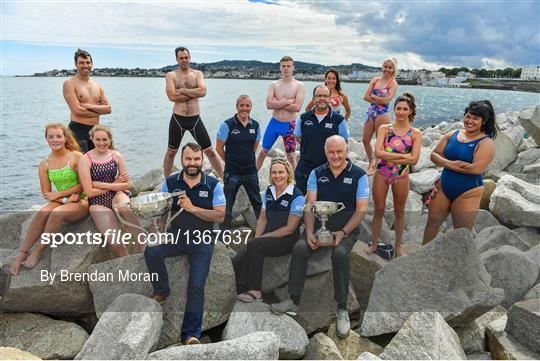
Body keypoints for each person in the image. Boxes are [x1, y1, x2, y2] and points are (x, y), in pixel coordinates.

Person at [270, 135, 369, 338]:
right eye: (331, 152)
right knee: (299, 248)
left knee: (339, 255)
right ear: (326, 153)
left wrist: (342, 233)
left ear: (347, 150)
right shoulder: (317, 173)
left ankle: (342, 308)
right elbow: (309, 205)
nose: (335, 156)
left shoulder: (359, 175)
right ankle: (293, 300)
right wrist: (308, 232)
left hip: (346, 229)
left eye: (339, 151)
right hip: (319, 225)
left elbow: (361, 210)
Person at [144, 143, 226, 345]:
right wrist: (158, 228)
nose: (192, 163)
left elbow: (220, 215)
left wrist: (192, 208)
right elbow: (162, 211)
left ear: (202, 160)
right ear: (182, 159)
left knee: (196, 284)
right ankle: (162, 290)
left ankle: (190, 335)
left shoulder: (213, 184)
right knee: (151, 252)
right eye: (188, 159)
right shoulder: (170, 182)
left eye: (196, 159)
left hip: (202, 240)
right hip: (177, 237)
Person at [9, 124, 88, 275]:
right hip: (64, 200)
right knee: (43, 211)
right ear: (46, 139)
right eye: (50, 136)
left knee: (56, 213)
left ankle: (38, 250)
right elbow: (46, 192)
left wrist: (59, 196)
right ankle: (22, 253)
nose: (55, 140)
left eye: (58, 136)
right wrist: (64, 199)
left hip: (82, 200)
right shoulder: (44, 163)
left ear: (65, 138)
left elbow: (83, 185)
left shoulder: (77, 157)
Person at [422, 100, 497, 245]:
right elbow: (433, 155)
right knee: (432, 223)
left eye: (475, 118)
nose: (470, 121)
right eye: (468, 116)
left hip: (468, 191)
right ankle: (421, 257)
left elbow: (475, 169)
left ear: (484, 121)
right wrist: (452, 164)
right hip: (444, 186)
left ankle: (457, 266)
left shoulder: (486, 143)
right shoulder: (453, 134)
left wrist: (444, 162)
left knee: (461, 234)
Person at [233, 158, 305, 302]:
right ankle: (238, 289)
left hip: (287, 240)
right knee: (238, 258)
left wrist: (263, 238)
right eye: (274, 172)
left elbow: (290, 229)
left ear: (288, 173)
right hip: (269, 236)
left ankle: (256, 291)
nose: (277, 176)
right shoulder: (269, 192)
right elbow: (263, 218)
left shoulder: (297, 196)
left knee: (254, 246)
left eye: (281, 172)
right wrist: (258, 237)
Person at [367, 93, 422, 258]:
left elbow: (414, 159)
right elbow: (378, 152)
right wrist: (403, 157)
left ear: (411, 111)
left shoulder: (415, 134)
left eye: (405, 109)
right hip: (382, 174)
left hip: (401, 175)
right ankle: (375, 244)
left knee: (399, 211)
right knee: (379, 210)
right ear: (394, 109)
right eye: (398, 108)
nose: (401, 112)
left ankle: (398, 248)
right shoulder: (385, 129)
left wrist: (388, 155)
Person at [78, 125, 145, 256]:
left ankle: (144, 246)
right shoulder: (85, 159)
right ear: (92, 139)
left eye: (105, 139)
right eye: (98, 140)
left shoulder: (116, 156)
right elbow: (89, 192)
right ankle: (127, 263)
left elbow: (127, 184)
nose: (102, 143)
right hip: (97, 202)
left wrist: (103, 185)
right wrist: (115, 183)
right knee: (115, 244)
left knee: (126, 208)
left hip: (117, 195)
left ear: (110, 139)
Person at [163, 46, 224, 179]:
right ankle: (166, 182)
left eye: (186, 57)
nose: (184, 60)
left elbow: (203, 92)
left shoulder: (197, 74)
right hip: (178, 119)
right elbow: (172, 97)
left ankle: (224, 179)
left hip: (195, 119)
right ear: (177, 59)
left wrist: (182, 91)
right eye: (181, 58)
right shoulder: (171, 76)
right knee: (171, 152)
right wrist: (194, 92)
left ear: (189, 58)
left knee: (209, 151)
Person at [216, 95, 262, 230]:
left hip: (250, 172)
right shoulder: (227, 125)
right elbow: (219, 148)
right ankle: (223, 235)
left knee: (258, 204)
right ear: (237, 107)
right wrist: (229, 161)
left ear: (251, 108)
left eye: (248, 105)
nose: (245, 108)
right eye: (242, 105)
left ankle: (264, 232)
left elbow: (254, 147)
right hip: (232, 173)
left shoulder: (256, 125)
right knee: (227, 207)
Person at [294, 85, 349, 193]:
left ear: (330, 99)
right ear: (313, 99)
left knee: (326, 204)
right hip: (305, 168)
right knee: (301, 201)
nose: (322, 98)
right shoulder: (303, 118)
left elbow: (344, 142)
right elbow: (298, 136)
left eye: (325, 96)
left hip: (329, 168)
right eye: (319, 96)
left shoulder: (338, 120)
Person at [256, 56, 305, 170]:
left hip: (290, 125)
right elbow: (268, 105)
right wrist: (288, 101)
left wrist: (277, 103)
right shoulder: (274, 85)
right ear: (280, 67)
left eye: (288, 66)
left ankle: (293, 183)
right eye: (283, 66)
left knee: (291, 156)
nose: (286, 68)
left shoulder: (299, 86)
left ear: (293, 68)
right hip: (274, 123)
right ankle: (252, 177)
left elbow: (297, 107)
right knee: (263, 152)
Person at [63, 49, 111, 153]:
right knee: (79, 165)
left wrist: (89, 106)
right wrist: (99, 112)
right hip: (77, 130)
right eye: (81, 62)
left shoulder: (97, 86)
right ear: (75, 64)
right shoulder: (70, 83)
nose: (85, 65)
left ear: (92, 64)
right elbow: (77, 111)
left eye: (88, 62)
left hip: (95, 131)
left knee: (96, 164)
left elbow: (108, 109)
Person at [362, 58, 399, 175]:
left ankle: (377, 164)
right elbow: (365, 97)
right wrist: (380, 99)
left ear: (393, 70)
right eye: (385, 67)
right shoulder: (375, 80)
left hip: (383, 114)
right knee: (365, 140)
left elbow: (387, 101)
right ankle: (371, 161)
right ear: (382, 67)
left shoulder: (393, 83)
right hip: (371, 112)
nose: (387, 69)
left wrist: (373, 97)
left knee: (380, 141)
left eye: (390, 67)